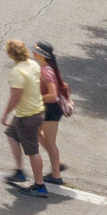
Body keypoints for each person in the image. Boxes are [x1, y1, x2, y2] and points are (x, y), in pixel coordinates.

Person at [0, 38, 48, 195]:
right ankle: (19, 171)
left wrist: (5, 115)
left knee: (33, 151)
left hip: (27, 117)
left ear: (10, 54)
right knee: (11, 135)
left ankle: (40, 185)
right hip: (35, 111)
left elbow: (15, 96)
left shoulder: (17, 72)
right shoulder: (33, 64)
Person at [36, 42, 74, 186]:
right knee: (35, 132)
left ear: (41, 54)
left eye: (35, 51)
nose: (33, 53)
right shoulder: (49, 68)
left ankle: (56, 174)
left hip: (50, 109)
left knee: (50, 142)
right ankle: (57, 164)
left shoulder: (46, 71)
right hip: (50, 109)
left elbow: (51, 95)